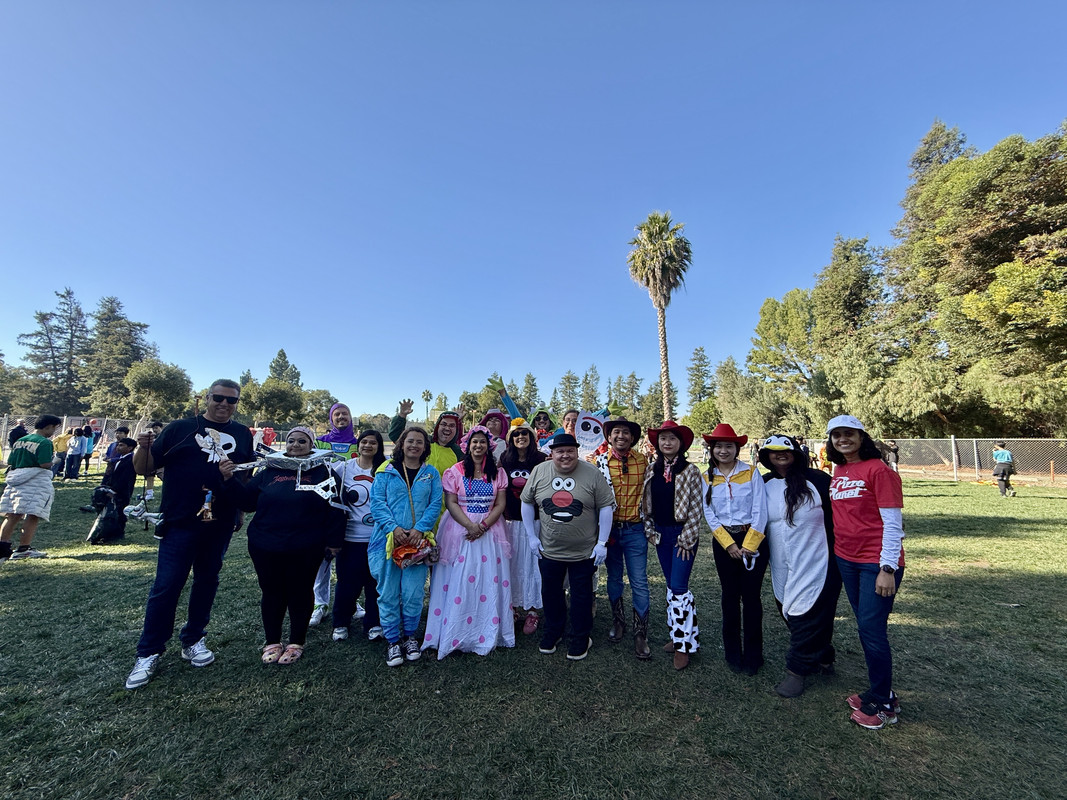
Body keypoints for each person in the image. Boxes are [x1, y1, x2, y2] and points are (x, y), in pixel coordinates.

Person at [124, 380, 254, 690]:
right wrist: (143, 446)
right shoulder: (179, 428)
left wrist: (238, 511)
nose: (224, 404)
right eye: (218, 398)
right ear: (207, 398)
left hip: (219, 521)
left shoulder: (241, 433)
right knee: (167, 585)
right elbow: (146, 468)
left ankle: (194, 639)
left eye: (231, 400)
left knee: (207, 581)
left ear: (237, 403)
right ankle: (149, 651)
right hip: (181, 519)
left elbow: (244, 475)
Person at [220, 426, 345, 666]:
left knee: (300, 592)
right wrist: (228, 479)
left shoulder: (324, 471)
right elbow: (247, 501)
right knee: (272, 592)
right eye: (291, 441)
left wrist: (334, 542)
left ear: (311, 445)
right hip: (266, 544)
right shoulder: (270, 470)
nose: (295, 445)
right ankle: (272, 641)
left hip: (306, 545)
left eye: (302, 441)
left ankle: (297, 641)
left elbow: (336, 507)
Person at [825, 414, 905, 730]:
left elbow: (893, 524)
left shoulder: (879, 471)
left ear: (861, 437)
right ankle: (879, 690)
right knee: (864, 627)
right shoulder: (840, 469)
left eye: (849, 434)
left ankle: (884, 705)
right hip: (847, 559)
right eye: (836, 435)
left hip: (876, 563)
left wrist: (887, 567)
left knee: (872, 630)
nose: (842, 439)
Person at [521, 433, 615, 661]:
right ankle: (554, 631)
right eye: (560, 451)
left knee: (581, 596)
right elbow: (526, 501)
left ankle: (581, 637)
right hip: (549, 549)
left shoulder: (591, 472)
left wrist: (602, 543)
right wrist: (531, 537)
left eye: (569, 451)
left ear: (577, 451)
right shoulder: (539, 471)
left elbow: (605, 506)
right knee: (551, 593)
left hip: (584, 552)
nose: (565, 455)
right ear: (551, 453)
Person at [759, 434, 840, 697]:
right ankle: (823, 654)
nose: (779, 455)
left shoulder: (818, 480)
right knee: (787, 609)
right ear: (766, 456)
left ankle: (796, 671)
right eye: (773, 451)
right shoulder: (764, 484)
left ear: (796, 452)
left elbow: (844, 512)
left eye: (785, 450)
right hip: (781, 561)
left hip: (817, 558)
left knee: (808, 613)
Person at [423, 426, 514, 658]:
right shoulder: (454, 471)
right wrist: (469, 525)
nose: (478, 446)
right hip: (458, 529)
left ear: (489, 446)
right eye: (474, 442)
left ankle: (484, 630)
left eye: (482, 442)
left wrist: (482, 526)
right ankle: (455, 630)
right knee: (458, 578)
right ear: (467, 445)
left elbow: (500, 505)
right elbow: (451, 502)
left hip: (490, 530)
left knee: (486, 578)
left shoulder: (498, 473)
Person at [368, 426, 443, 667]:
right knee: (388, 592)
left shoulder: (431, 473)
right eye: (410, 441)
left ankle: (410, 637)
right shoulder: (385, 471)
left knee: (413, 593)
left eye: (419, 442)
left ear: (425, 447)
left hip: (417, 543)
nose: (414, 445)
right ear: (402, 444)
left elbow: (435, 503)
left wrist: (420, 528)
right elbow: (377, 502)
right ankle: (392, 641)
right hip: (388, 542)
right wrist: (393, 528)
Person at [702, 423, 768, 675]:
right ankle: (732, 653)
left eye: (729, 446)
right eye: (718, 446)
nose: (723, 450)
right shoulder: (706, 476)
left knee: (751, 598)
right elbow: (709, 512)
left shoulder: (751, 473)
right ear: (712, 449)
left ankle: (753, 656)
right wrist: (728, 544)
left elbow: (760, 510)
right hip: (724, 543)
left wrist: (749, 545)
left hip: (752, 540)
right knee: (729, 597)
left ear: (737, 448)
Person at [642, 420, 704, 670]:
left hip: (681, 535)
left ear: (681, 444)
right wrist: (649, 529)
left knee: (679, 588)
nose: (667, 443)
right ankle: (678, 635)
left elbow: (696, 508)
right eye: (663, 438)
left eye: (672, 439)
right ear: (657, 443)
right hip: (660, 533)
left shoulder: (691, 471)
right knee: (670, 586)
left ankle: (684, 646)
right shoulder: (651, 470)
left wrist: (687, 539)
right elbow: (644, 502)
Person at [595, 418, 651, 659]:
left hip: (635, 529)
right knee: (614, 577)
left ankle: (641, 632)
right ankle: (619, 621)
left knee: (639, 580)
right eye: (616, 432)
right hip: (609, 531)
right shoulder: (598, 463)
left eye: (626, 433)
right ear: (609, 437)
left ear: (632, 437)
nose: (621, 436)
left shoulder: (644, 461)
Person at [331, 429, 387, 642]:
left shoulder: (385, 469)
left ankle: (373, 623)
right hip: (350, 537)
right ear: (358, 445)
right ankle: (341, 622)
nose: (368, 446)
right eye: (364, 442)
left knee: (376, 583)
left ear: (378, 446)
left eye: (373, 442)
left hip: (378, 537)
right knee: (347, 583)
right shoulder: (344, 468)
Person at [310, 401, 362, 626]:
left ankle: (352, 602)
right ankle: (319, 603)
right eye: (337, 414)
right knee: (321, 560)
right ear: (331, 418)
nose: (341, 418)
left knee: (347, 561)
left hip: (350, 509)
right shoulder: (321, 442)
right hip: (321, 507)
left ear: (351, 418)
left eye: (345, 414)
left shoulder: (358, 444)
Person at [499, 420, 547, 635]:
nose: (520, 438)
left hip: (534, 522)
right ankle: (514, 606)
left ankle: (534, 610)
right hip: (511, 520)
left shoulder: (540, 460)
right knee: (513, 564)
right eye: (516, 435)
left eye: (524, 434)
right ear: (511, 439)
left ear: (531, 437)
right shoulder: (505, 460)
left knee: (533, 565)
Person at [1, 414, 61, 563]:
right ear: (48, 426)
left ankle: (2, 545)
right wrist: (55, 460)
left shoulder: (20, 441)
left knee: (13, 514)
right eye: (54, 428)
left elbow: (11, 462)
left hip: (17, 479)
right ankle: (24, 548)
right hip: (35, 481)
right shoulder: (44, 442)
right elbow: (44, 464)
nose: (54, 431)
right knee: (33, 513)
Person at [143, 421, 165, 500]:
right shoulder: (152, 437)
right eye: (153, 428)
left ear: (161, 428)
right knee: (149, 475)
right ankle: (149, 493)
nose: (155, 430)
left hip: (161, 459)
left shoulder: (164, 436)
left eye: (156, 428)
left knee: (162, 474)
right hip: (151, 459)